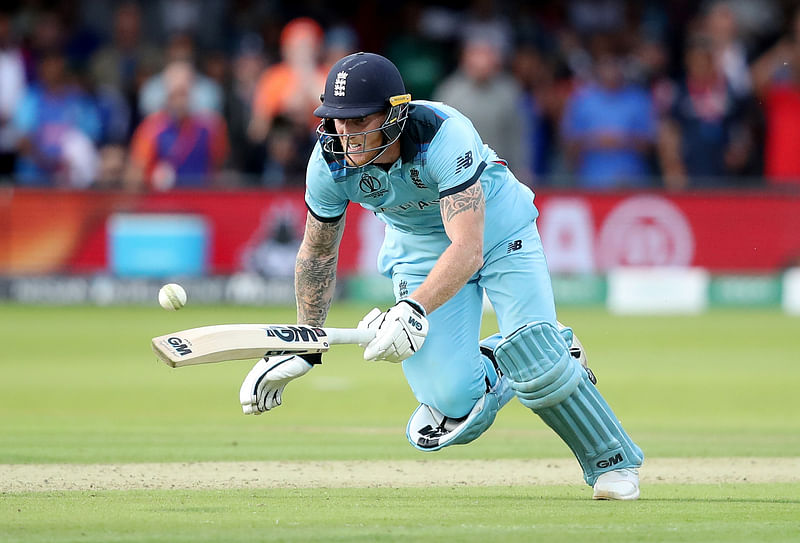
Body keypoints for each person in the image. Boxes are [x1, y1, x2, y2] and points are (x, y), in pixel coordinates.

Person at [239, 52, 643, 500]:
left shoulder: (442, 133)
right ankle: (528, 353)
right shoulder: (328, 164)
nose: (345, 135)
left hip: (494, 227)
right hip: (416, 248)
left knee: (540, 364)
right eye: (336, 120)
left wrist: (410, 310)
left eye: (358, 121)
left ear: (394, 114)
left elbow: (468, 248)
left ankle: (612, 464)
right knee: (451, 413)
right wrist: (307, 345)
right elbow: (317, 254)